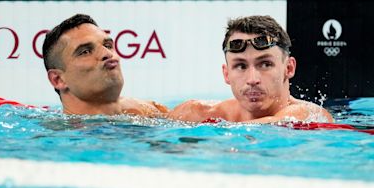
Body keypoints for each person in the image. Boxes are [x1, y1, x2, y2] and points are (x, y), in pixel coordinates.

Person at [168, 15, 333, 123]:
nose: (252, 79)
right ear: (226, 74)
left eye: (265, 64)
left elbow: (278, 125)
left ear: (288, 68)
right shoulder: (201, 112)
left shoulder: (310, 115)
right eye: (241, 66)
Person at [42, 14, 168, 116]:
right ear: (58, 79)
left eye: (108, 45)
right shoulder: (51, 137)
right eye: (85, 51)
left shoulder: (149, 112)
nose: (107, 53)